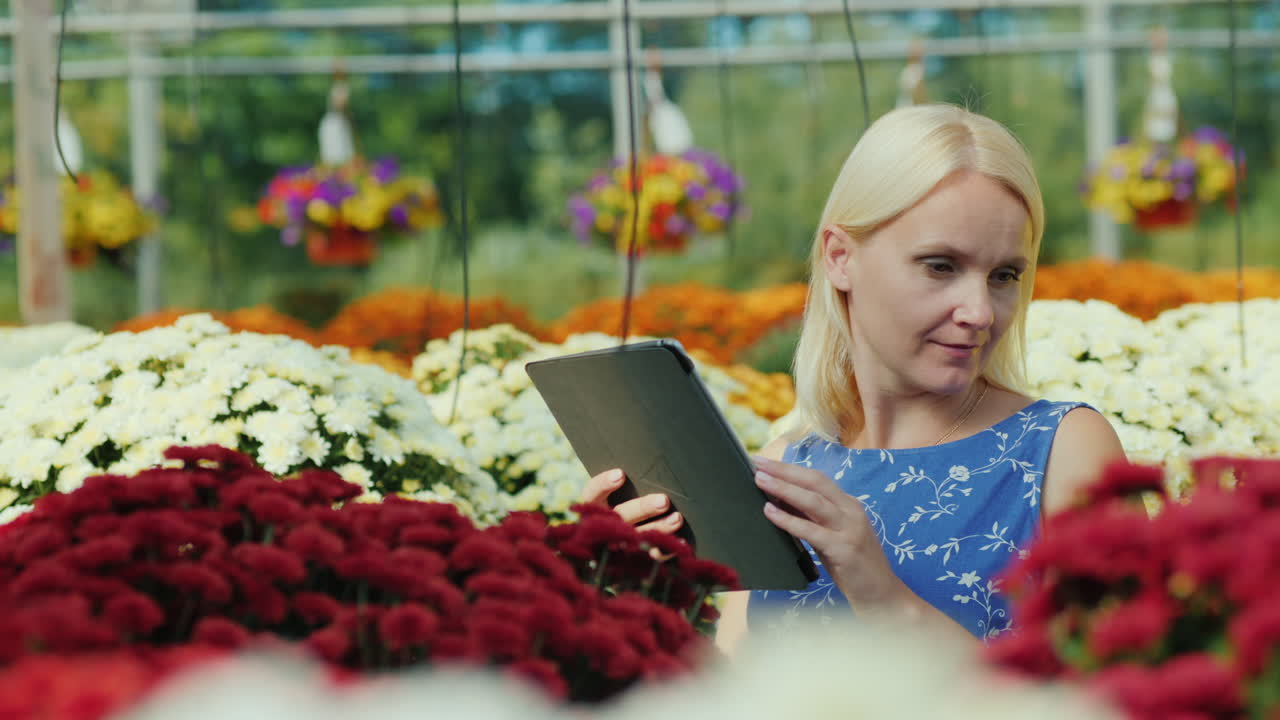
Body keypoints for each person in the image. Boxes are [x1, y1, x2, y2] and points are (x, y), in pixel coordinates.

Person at [580, 103, 1127, 653]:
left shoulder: (1060, 451)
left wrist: (882, 594)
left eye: (1004, 275)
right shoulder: (789, 465)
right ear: (840, 258)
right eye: (941, 266)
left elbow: (1112, 698)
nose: (980, 312)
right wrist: (644, 602)